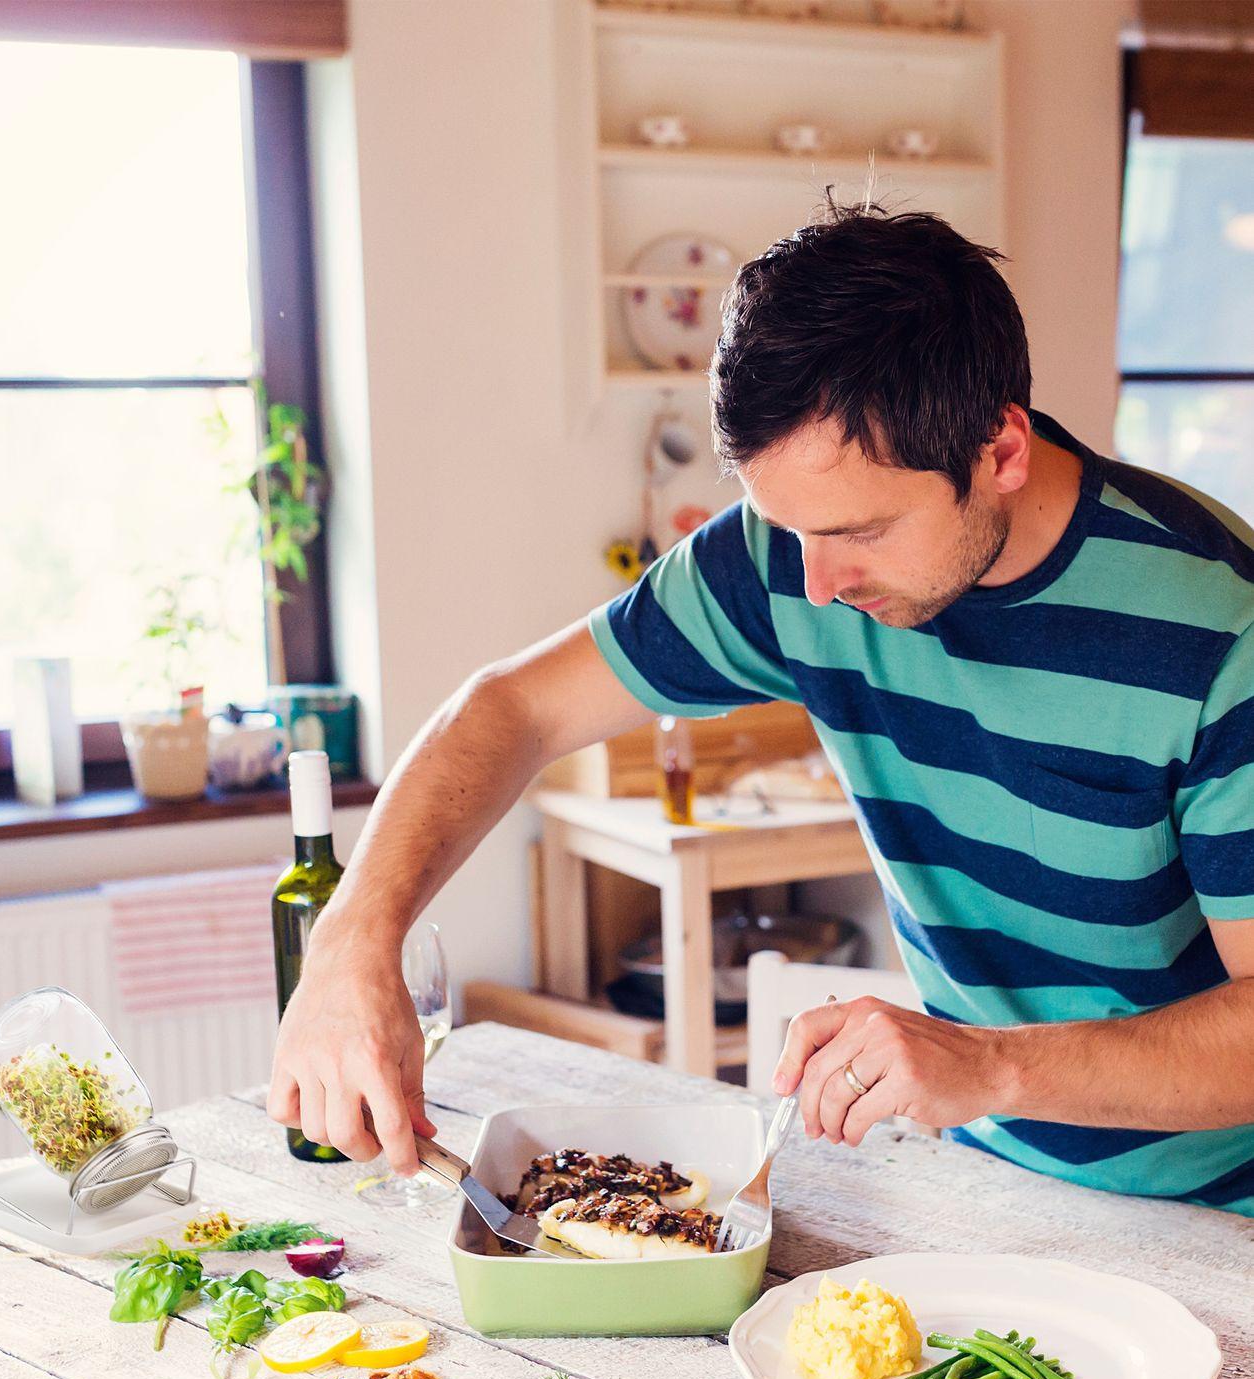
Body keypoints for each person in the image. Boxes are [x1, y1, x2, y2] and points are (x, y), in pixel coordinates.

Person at [268, 201, 1254, 1216]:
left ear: (997, 450)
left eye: (857, 532)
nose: (814, 589)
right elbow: (509, 710)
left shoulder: (1223, 628)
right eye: (788, 531)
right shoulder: (781, 559)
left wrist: (986, 1066)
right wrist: (351, 946)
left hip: (1217, 1218)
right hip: (978, 1184)